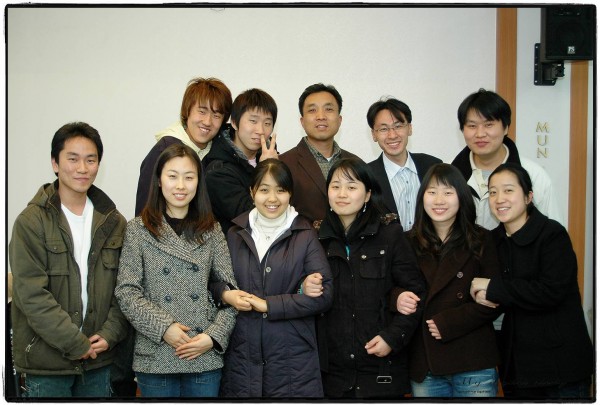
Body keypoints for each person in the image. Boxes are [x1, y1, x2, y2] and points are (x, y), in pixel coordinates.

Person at [9, 122, 128, 397]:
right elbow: (31, 296)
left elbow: (125, 289)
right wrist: (76, 343)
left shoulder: (114, 222)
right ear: (55, 163)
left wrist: (109, 334)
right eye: (72, 159)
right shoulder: (31, 222)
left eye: (91, 160)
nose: (82, 168)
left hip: (99, 359)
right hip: (47, 364)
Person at [115, 143, 238, 398]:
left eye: (189, 177)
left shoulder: (212, 230)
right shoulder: (138, 229)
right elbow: (127, 292)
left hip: (203, 354)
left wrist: (213, 337)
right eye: (172, 176)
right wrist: (164, 328)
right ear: (159, 181)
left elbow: (230, 294)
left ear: (198, 183)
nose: (181, 186)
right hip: (156, 355)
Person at [470, 163, 593, 399]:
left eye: (508, 190)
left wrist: (492, 288)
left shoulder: (552, 234)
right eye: (492, 192)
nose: (499, 199)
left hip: (560, 365)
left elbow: (550, 291)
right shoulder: (493, 240)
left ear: (528, 197)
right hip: (517, 365)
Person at [312, 157, 426, 398]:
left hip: (381, 367)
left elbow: (416, 293)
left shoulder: (390, 235)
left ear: (367, 195)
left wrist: (392, 338)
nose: (342, 194)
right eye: (335, 186)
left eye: (351, 187)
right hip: (332, 374)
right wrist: (304, 287)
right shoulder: (316, 239)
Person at [219, 159, 333, 398]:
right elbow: (213, 281)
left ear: (290, 193)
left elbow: (325, 295)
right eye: (264, 190)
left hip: (293, 361)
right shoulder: (234, 233)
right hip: (242, 357)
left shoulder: (305, 234)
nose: (272, 198)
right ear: (252, 192)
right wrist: (225, 293)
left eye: (280, 190)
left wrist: (269, 305)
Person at [398, 163, 502, 397]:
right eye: (432, 192)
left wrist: (450, 322)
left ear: (461, 197)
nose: (439, 200)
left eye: (448, 192)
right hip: (425, 361)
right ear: (422, 198)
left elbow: (496, 298)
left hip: (472, 358)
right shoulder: (407, 241)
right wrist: (398, 297)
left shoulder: (481, 239)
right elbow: (390, 287)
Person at [451, 88, 561, 230]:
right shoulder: (448, 174)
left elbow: (554, 233)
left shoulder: (533, 175)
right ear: (462, 130)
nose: (480, 134)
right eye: (472, 126)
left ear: (506, 128)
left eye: (489, 125)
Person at [135, 77, 233, 216]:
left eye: (216, 115)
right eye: (202, 111)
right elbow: (145, 209)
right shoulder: (164, 150)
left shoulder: (219, 153)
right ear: (187, 111)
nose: (207, 121)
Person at [280, 83, 358, 225]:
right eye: (312, 110)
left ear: (339, 120)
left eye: (328, 109)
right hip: (302, 239)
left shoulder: (356, 163)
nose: (321, 116)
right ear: (302, 121)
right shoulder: (283, 164)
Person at [204, 88, 279, 234]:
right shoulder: (217, 172)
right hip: (239, 245)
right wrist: (268, 171)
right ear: (234, 122)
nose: (260, 130)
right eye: (253, 121)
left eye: (267, 123)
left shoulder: (273, 157)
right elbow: (255, 219)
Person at [367, 97, 442, 230]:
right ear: (374, 134)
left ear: (410, 128)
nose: (392, 135)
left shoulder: (433, 166)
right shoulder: (366, 176)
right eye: (384, 129)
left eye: (398, 126)